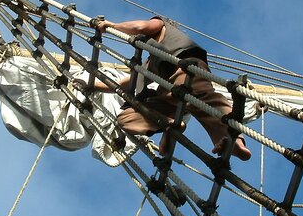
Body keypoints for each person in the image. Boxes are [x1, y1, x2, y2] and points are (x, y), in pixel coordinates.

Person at [77, 16, 251, 161]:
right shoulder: (151, 61)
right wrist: (91, 85)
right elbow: (127, 83)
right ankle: (171, 125)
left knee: (206, 100)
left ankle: (233, 141)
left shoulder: (162, 25)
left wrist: (111, 26)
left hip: (186, 69)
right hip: (168, 94)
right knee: (125, 118)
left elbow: (141, 26)